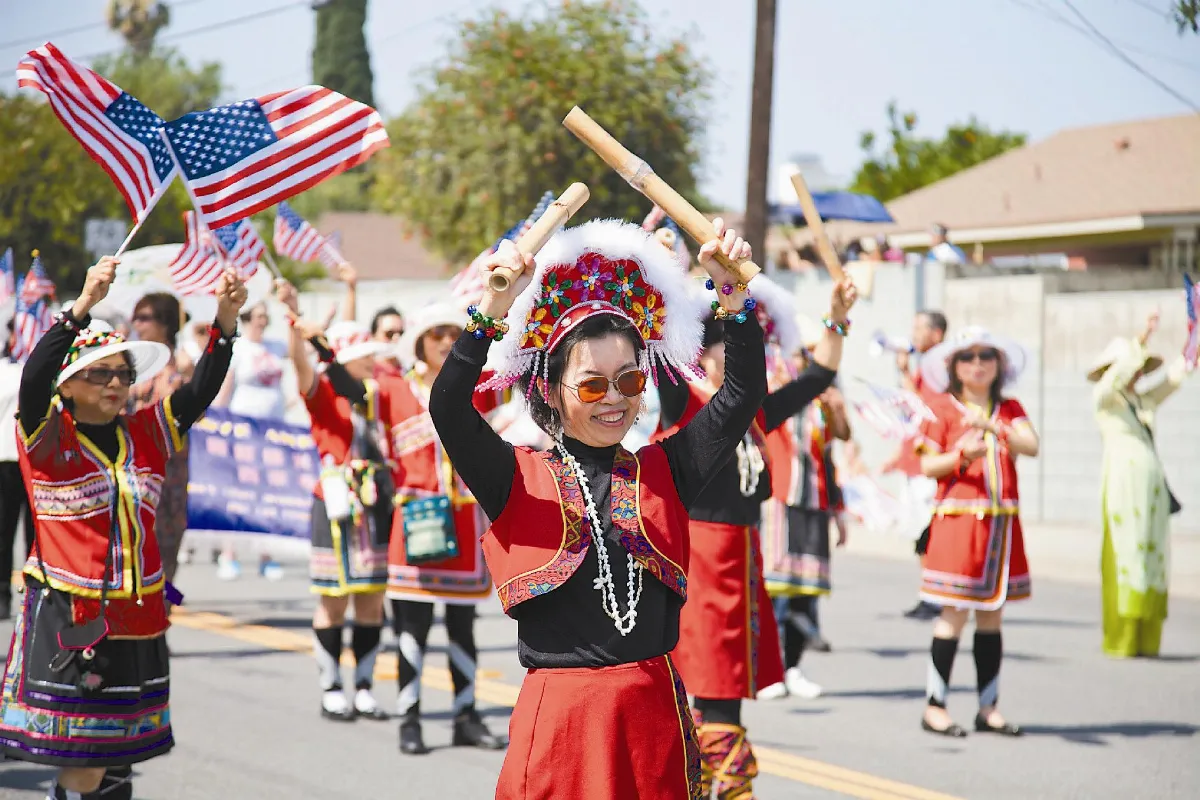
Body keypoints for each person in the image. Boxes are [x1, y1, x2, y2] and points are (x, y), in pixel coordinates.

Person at [431, 218, 759, 799]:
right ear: (552, 388)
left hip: (653, 712)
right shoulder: (517, 478)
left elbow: (739, 397)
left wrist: (733, 301)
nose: (615, 399)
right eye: (591, 385)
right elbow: (451, 407)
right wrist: (492, 309)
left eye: (630, 380)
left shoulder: (666, 469)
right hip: (563, 722)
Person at [0, 257, 244, 800]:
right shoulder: (45, 437)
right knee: (83, 762)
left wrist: (225, 322)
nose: (115, 382)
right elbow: (34, 376)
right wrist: (81, 305)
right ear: (70, 384)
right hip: (71, 615)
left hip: (138, 616)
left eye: (122, 373)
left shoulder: (147, 430)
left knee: (118, 762)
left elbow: (199, 392)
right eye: (100, 373)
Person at [656, 275, 857, 797]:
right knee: (706, 681)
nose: (751, 362)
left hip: (741, 555)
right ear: (704, 357)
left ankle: (710, 780)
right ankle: (713, 782)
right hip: (694, 555)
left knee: (724, 683)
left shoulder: (754, 412)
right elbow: (659, 353)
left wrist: (835, 315)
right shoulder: (683, 403)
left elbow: (819, 376)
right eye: (736, 352)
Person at [382, 302, 506, 755]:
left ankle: (465, 716)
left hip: (463, 518)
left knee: (462, 625)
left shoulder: (481, 389)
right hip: (415, 518)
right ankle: (409, 717)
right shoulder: (391, 388)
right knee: (411, 627)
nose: (443, 341)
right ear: (419, 341)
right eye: (434, 334)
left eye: (452, 333)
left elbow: (521, 374)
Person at [277, 278, 397, 721]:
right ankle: (331, 685)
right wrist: (294, 320)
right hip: (336, 504)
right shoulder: (327, 394)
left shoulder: (380, 395)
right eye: (365, 354)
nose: (373, 359)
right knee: (334, 599)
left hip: (376, 502)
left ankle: (363, 686)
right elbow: (299, 364)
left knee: (371, 599)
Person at [914, 326, 1039, 739]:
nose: (978, 364)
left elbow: (1031, 445)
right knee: (953, 614)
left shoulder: (1009, 408)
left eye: (987, 356)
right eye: (968, 357)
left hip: (1002, 525)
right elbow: (927, 466)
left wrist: (992, 426)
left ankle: (989, 707)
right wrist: (959, 455)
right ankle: (935, 706)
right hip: (959, 523)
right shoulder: (942, 409)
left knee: (992, 616)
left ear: (999, 365)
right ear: (954, 367)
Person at [1089, 310, 1193, 658]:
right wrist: (1142, 339)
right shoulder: (1105, 403)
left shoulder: (1142, 401)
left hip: (1151, 487)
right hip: (1123, 484)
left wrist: (1191, 349)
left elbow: (1173, 379)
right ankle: (1121, 638)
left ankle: (1148, 638)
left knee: (1154, 555)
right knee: (1125, 554)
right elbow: (1112, 383)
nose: (1136, 373)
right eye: (1131, 367)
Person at [759, 349, 852, 700]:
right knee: (771, 590)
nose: (806, 358)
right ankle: (768, 670)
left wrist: (838, 406)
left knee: (804, 589)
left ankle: (793, 667)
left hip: (816, 501)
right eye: (802, 351)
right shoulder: (774, 390)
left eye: (812, 353)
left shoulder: (823, 401)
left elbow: (837, 444)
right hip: (779, 499)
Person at [213, 300, 288, 579]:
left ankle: (266, 556)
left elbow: (304, 348)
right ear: (247, 319)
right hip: (243, 430)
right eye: (258, 316)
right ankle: (229, 553)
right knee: (238, 490)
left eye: (266, 316)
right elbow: (226, 388)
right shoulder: (240, 348)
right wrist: (217, 423)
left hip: (274, 430)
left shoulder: (276, 346)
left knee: (267, 493)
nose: (263, 321)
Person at [128, 292, 193, 587]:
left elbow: (195, 413)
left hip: (170, 475)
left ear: (165, 323)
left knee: (168, 548)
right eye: (136, 317)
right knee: (134, 549)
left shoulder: (180, 369)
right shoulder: (128, 365)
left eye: (144, 318)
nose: (136, 324)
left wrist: (183, 375)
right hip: (133, 471)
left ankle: (165, 609)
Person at [890, 310, 949, 620]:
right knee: (920, 532)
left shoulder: (940, 366)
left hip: (929, 459)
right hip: (917, 460)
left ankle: (935, 594)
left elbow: (923, 409)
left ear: (936, 334)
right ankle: (929, 593)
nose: (913, 334)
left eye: (919, 328)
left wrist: (904, 372)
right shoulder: (927, 366)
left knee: (929, 531)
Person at [0, 317, 34, 621]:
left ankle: (36, 594)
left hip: (36, 459)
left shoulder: (43, 369)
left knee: (36, 533)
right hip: (5, 459)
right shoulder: (4, 370)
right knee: (3, 532)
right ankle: (1, 596)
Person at [371, 305, 406, 379]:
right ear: (373, 336)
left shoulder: (413, 371)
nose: (397, 338)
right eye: (389, 334)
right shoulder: (367, 375)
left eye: (401, 333)